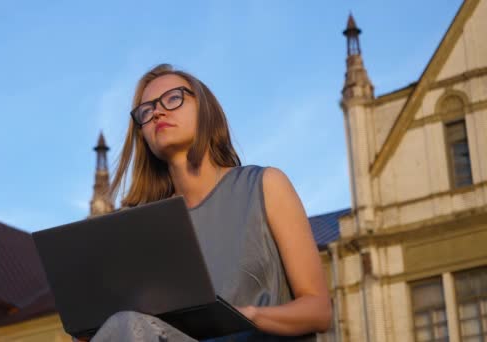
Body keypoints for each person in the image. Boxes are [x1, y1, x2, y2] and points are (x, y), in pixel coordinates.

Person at [76, 64, 332, 341]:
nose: (158, 112)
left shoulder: (265, 185)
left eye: (173, 98)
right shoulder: (141, 227)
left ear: (205, 109)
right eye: (146, 111)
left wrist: (246, 315)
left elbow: (319, 310)